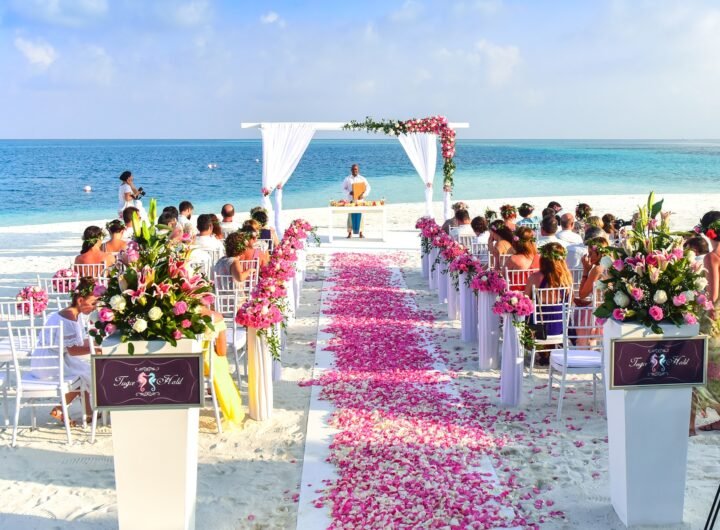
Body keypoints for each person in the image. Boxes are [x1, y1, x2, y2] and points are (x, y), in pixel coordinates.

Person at [34, 277, 99, 426]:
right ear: (80, 300)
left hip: (52, 357)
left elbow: (76, 344)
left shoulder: (72, 313)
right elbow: (74, 350)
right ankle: (60, 409)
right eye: (93, 303)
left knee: (85, 369)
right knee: (84, 375)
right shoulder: (69, 319)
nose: (95, 307)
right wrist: (96, 347)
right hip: (50, 363)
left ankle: (88, 413)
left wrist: (96, 343)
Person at [692, 211, 720, 434]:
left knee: (704, 368)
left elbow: (713, 296)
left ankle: (689, 425)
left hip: (714, 318)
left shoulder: (712, 258)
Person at [525, 243, 573, 364]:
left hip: (539, 330)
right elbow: (570, 302)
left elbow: (525, 300)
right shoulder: (566, 278)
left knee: (528, 316)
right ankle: (549, 352)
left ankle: (543, 352)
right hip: (560, 328)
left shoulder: (535, 277)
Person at [201, 308, 244, 427]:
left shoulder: (168, 313)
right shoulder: (216, 317)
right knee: (219, 361)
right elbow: (222, 351)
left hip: (174, 364)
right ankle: (213, 389)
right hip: (204, 365)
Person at [342, 164, 371, 238]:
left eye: (356, 169)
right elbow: (343, 188)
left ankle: (361, 233)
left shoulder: (362, 179)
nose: (354, 170)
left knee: (361, 216)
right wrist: (349, 192)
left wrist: (363, 195)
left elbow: (368, 188)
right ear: (351, 170)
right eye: (353, 169)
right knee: (350, 216)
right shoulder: (347, 179)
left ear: (358, 170)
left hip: (360, 200)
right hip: (351, 200)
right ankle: (349, 233)